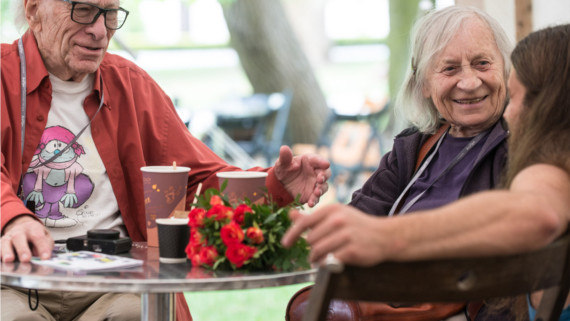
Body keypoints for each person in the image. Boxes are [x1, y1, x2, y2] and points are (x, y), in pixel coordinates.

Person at [0, 0, 331, 320]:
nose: (99, 30)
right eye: (83, 10)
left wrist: (275, 185)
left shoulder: (132, 86)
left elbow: (197, 181)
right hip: (12, 282)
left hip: (115, 284)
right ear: (34, 11)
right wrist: (13, 219)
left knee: (139, 315)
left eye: (110, 14)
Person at [283, 23, 570, 321]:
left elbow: (535, 215)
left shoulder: (535, 160)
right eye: (449, 69)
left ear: (550, 105)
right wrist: (282, 197)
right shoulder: (414, 145)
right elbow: (353, 227)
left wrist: (387, 238)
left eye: (483, 64)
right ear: (423, 83)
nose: (470, 83)